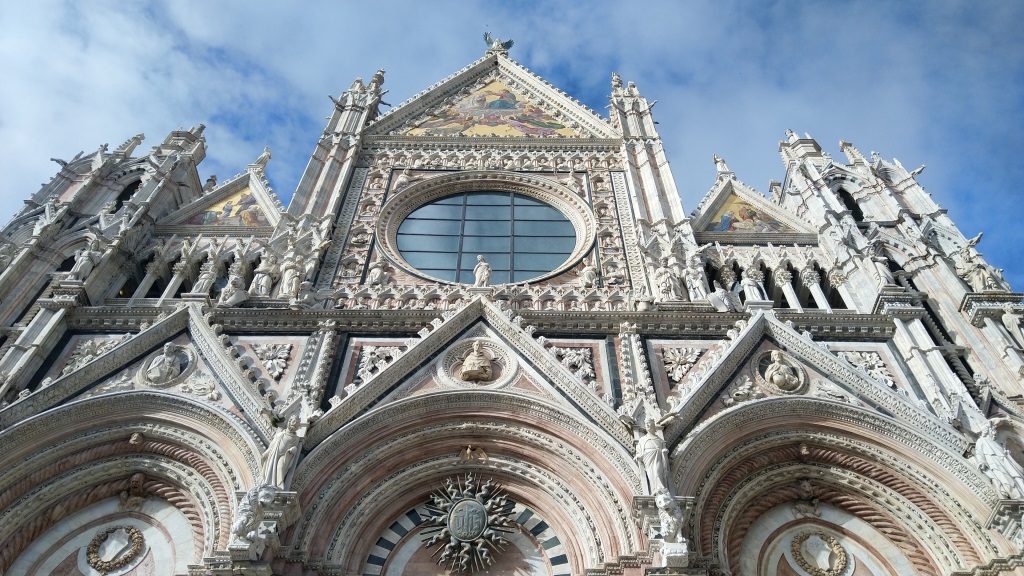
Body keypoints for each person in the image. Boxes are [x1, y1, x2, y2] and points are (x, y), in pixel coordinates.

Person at [261, 415, 301, 488]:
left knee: (281, 467)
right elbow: (272, 446)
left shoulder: (296, 438)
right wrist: (266, 453)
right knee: (270, 468)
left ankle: (278, 485)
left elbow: (295, 447)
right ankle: (269, 483)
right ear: (289, 422)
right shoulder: (280, 435)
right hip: (274, 454)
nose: (295, 424)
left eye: (297, 424)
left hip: (284, 455)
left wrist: (293, 449)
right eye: (293, 422)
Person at [636, 418, 669, 495]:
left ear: (653, 424)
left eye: (649, 423)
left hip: (658, 457)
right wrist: (639, 456)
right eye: (646, 424)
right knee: (651, 474)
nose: (647, 425)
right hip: (647, 459)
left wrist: (664, 452)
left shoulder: (659, 440)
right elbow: (639, 450)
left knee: (658, 470)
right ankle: (654, 489)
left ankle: (660, 488)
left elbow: (664, 449)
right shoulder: (642, 439)